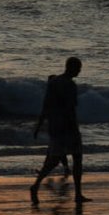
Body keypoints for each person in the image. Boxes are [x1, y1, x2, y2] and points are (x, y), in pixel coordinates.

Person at [31, 56, 86, 206]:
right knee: (77, 158)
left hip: (55, 126)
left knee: (54, 160)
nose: (79, 71)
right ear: (71, 67)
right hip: (68, 127)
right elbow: (70, 108)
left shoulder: (53, 82)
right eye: (78, 68)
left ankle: (36, 185)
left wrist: (39, 125)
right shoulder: (70, 85)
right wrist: (74, 127)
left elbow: (46, 105)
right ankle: (78, 194)